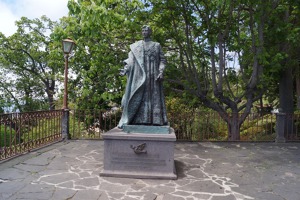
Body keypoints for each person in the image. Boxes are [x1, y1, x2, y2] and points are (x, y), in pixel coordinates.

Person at [118, 25, 168, 128]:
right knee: (139, 97)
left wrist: (161, 71)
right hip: (140, 77)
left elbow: (163, 61)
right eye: (143, 30)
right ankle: (137, 120)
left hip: (153, 77)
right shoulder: (136, 46)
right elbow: (130, 61)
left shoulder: (156, 45)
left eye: (147, 30)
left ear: (150, 32)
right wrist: (126, 69)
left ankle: (155, 121)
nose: (144, 32)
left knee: (153, 98)